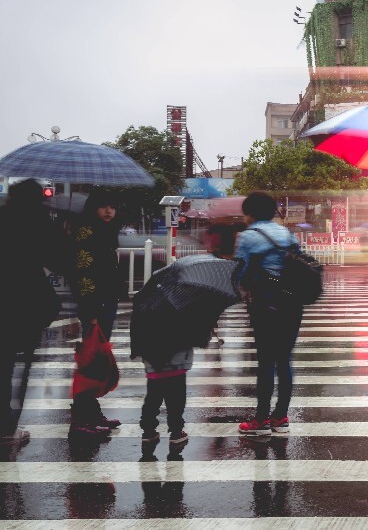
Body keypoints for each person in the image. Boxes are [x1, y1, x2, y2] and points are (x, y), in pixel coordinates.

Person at [131, 223, 239, 448]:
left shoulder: (149, 309)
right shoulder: (185, 308)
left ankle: (148, 430)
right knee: (176, 395)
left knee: (153, 395)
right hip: (177, 355)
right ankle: (176, 430)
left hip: (154, 357)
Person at [0, 180, 68, 444]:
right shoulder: (38, 220)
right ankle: (8, 427)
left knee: (4, 363)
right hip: (26, 301)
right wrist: (62, 235)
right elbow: (58, 260)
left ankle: (5, 423)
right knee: (21, 366)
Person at [234, 192, 301, 436]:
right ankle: (280, 417)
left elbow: (239, 273)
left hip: (266, 305)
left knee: (265, 362)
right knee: (284, 360)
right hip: (292, 303)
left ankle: (261, 419)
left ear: (250, 214)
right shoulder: (286, 233)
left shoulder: (249, 237)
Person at [69, 189, 123, 436]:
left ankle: (90, 412)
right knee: (90, 362)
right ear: (93, 209)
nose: (109, 211)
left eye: (112, 206)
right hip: (96, 305)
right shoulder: (86, 233)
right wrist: (90, 309)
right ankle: (82, 417)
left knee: (96, 360)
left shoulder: (104, 233)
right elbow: (83, 274)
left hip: (105, 302)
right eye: (103, 206)